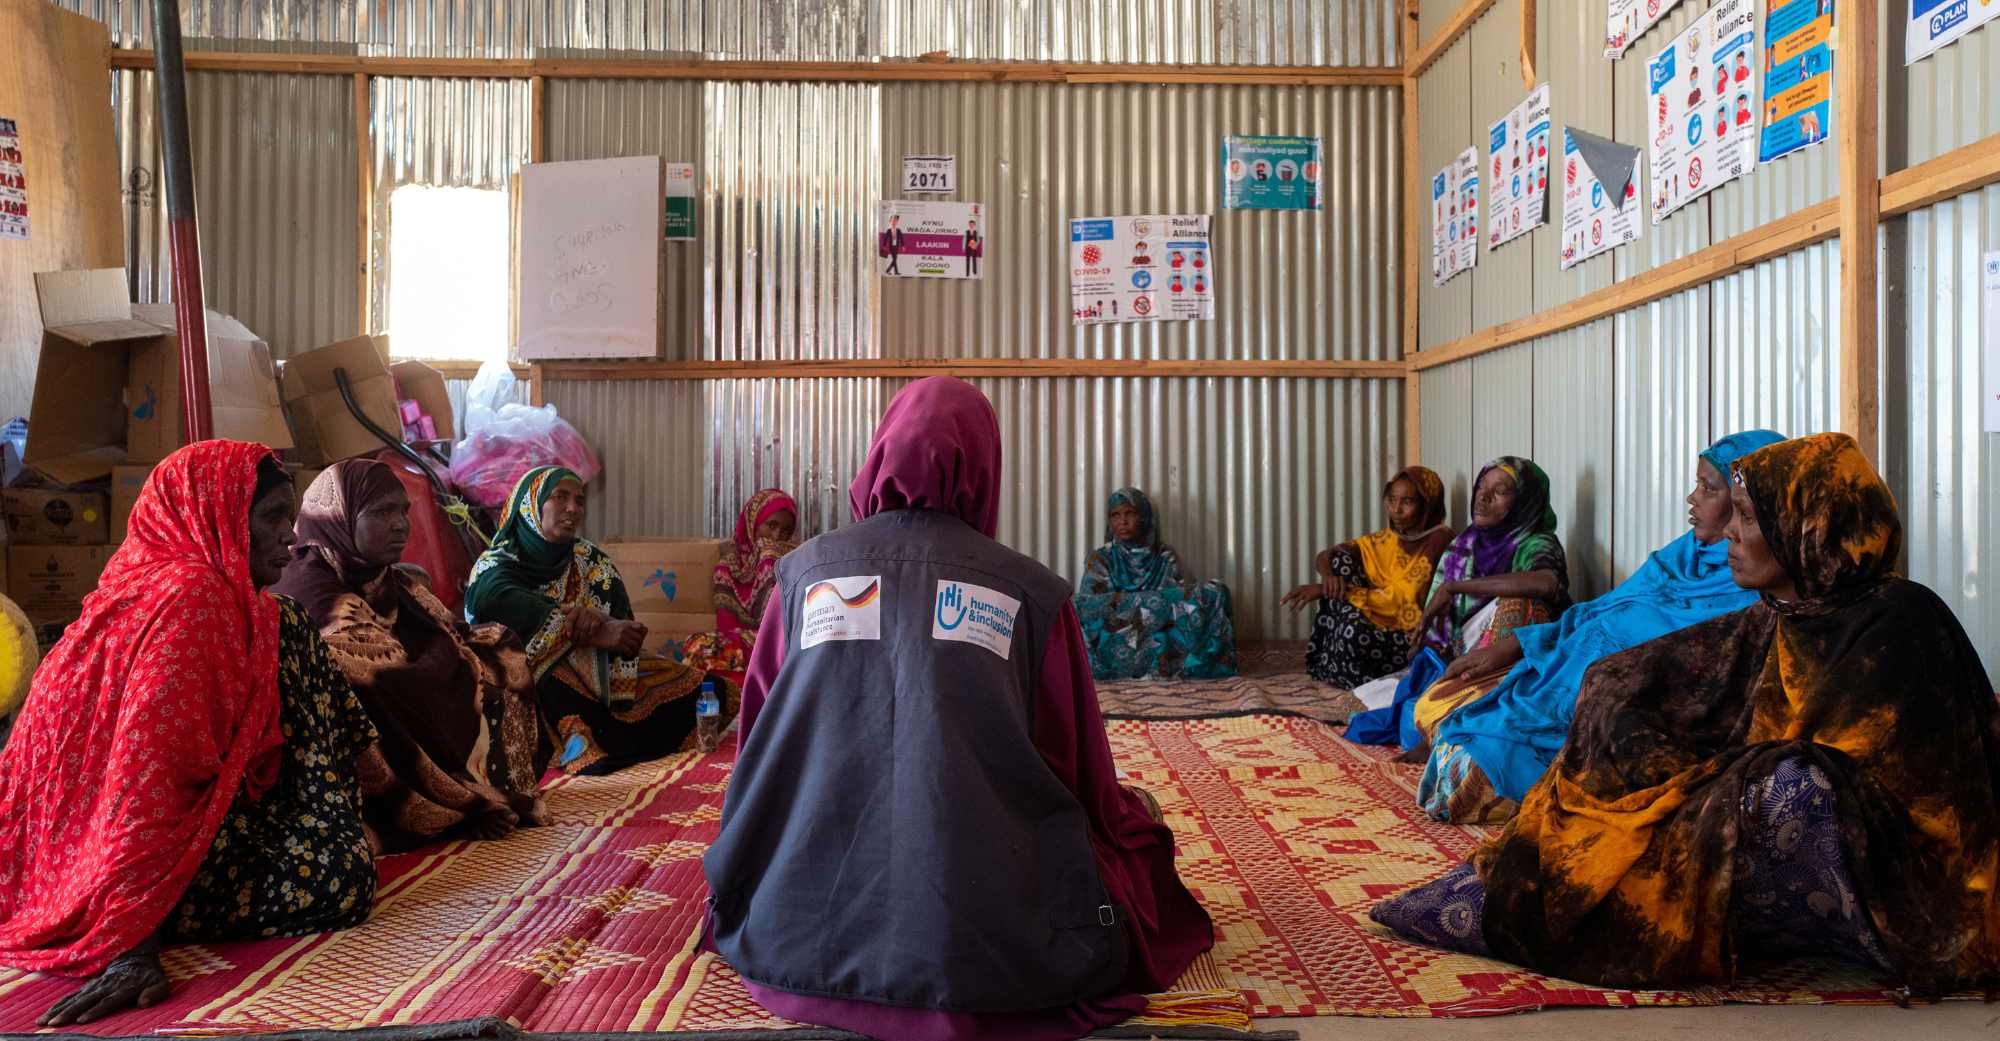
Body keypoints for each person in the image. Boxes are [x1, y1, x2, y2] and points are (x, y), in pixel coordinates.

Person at [1371, 433, 2000, 995]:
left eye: (1749, 518)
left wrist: (1715, 783)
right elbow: (1695, 674)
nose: (1730, 530)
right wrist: (1615, 697)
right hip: (1779, 806)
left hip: (1904, 864)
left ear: (1805, 528)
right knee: (1616, 694)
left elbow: (1872, 779)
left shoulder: (1897, 620)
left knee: (1792, 791)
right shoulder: (1782, 611)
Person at [703, 378, 1213, 1041]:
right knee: (1134, 827)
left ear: (880, 452)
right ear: (985, 465)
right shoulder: (1031, 593)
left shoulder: (802, 576)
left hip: (794, 940)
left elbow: (757, 753)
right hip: (995, 958)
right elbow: (1078, 770)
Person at [0, 441, 377, 1027]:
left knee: (284, 623)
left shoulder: (160, 580)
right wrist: (129, 946)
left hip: (70, 844)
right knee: (339, 878)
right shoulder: (192, 599)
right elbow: (145, 779)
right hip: (91, 853)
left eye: (292, 517)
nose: (291, 537)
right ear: (217, 514)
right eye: (273, 518)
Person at [1411, 431, 1784, 823]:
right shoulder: (1682, 554)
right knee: (1439, 706)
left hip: (1600, 710)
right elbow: (1600, 608)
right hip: (1557, 676)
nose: (1692, 498)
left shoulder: (1751, 586)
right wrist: (1511, 647)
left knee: (1471, 768)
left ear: (1751, 506)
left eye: (1708, 488)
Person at [274, 460, 549, 849]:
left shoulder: (382, 574)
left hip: (403, 665)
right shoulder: (307, 581)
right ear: (341, 516)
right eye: (383, 512)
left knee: (501, 648)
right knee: (384, 684)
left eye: (403, 510)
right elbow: (364, 660)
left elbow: (439, 625)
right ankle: (446, 806)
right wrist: (442, 658)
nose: (401, 524)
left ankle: (483, 784)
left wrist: (447, 653)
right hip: (361, 690)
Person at [464, 466, 713, 775]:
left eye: (579, 501)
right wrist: (588, 633)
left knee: (693, 685)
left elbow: (624, 631)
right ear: (530, 505)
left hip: (597, 672)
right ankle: (583, 742)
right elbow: (493, 601)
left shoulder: (587, 558)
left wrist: (600, 622)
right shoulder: (498, 562)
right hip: (528, 680)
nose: (573, 508)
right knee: (552, 673)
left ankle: (613, 731)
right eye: (560, 497)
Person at [1343, 456, 1570, 750]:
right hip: (1461, 655)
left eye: (1499, 491)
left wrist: (1454, 587)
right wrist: (1427, 645)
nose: (1483, 497)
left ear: (1524, 501)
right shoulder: (1466, 543)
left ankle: (1475, 710)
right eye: (1481, 487)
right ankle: (1447, 704)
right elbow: (1438, 624)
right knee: (1370, 700)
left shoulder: (1537, 543)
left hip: (1517, 662)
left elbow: (1547, 583)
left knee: (1519, 600)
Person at [1282, 467, 1453, 690]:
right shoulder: (1390, 538)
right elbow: (1327, 555)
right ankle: (1335, 664)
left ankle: (1351, 671)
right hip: (1379, 613)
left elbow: (1403, 598)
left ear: (1427, 505)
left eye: (1407, 502)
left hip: (1410, 634)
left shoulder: (1438, 538)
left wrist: (1324, 590)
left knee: (1352, 627)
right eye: (1391, 500)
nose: (1396, 510)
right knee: (1340, 563)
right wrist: (1328, 578)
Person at [1073, 488, 1238, 680]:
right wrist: (1141, 606)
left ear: (1143, 517)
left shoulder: (1163, 555)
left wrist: (1152, 608)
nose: (1122, 522)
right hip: (1118, 631)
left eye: (1130, 513)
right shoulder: (1100, 558)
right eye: (1115, 515)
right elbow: (1089, 606)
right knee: (1076, 607)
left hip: (1159, 630)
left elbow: (1179, 602)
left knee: (1215, 592)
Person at [682, 488, 799, 681]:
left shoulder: (794, 558)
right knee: (698, 646)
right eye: (771, 525)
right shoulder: (728, 567)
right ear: (753, 525)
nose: (777, 536)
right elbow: (726, 627)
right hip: (747, 643)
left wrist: (768, 562)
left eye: (786, 530)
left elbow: (784, 621)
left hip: (784, 643)